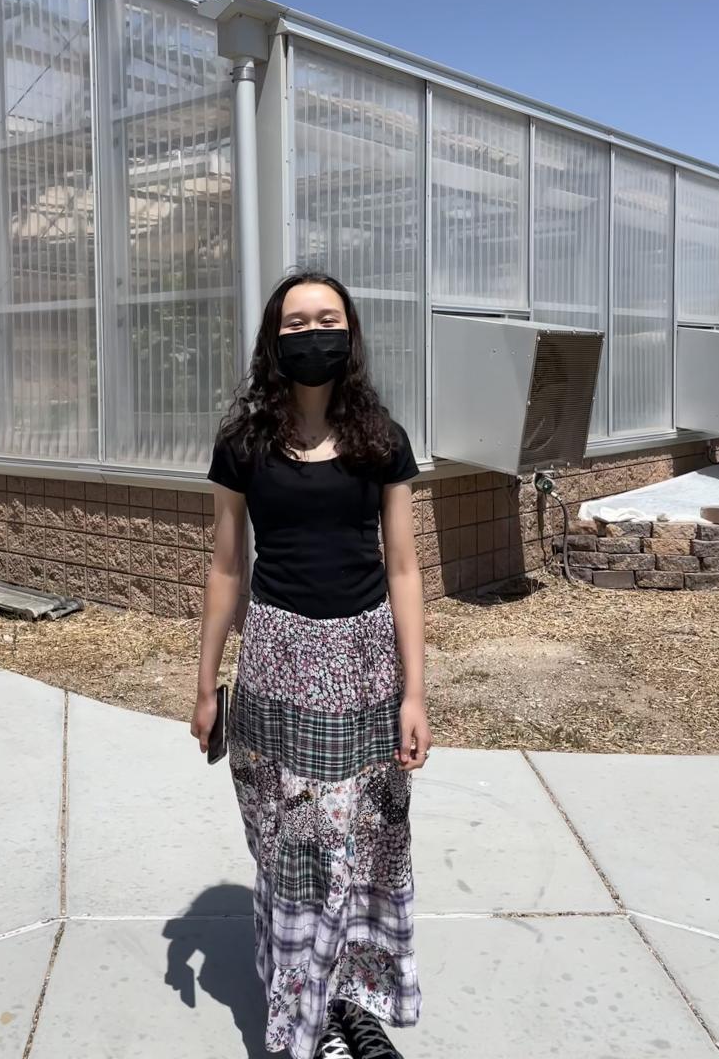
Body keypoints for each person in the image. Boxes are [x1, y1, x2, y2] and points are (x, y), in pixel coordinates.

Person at [190, 270, 431, 1059]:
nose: (312, 333)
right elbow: (227, 568)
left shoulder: (381, 440)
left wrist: (415, 693)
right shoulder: (244, 444)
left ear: (350, 333)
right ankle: (311, 1019)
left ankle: (354, 1004)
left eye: (327, 319)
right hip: (277, 666)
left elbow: (404, 569)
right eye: (296, 323)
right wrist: (205, 685)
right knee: (295, 850)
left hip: (364, 666)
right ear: (273, 339)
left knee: (369, 839)